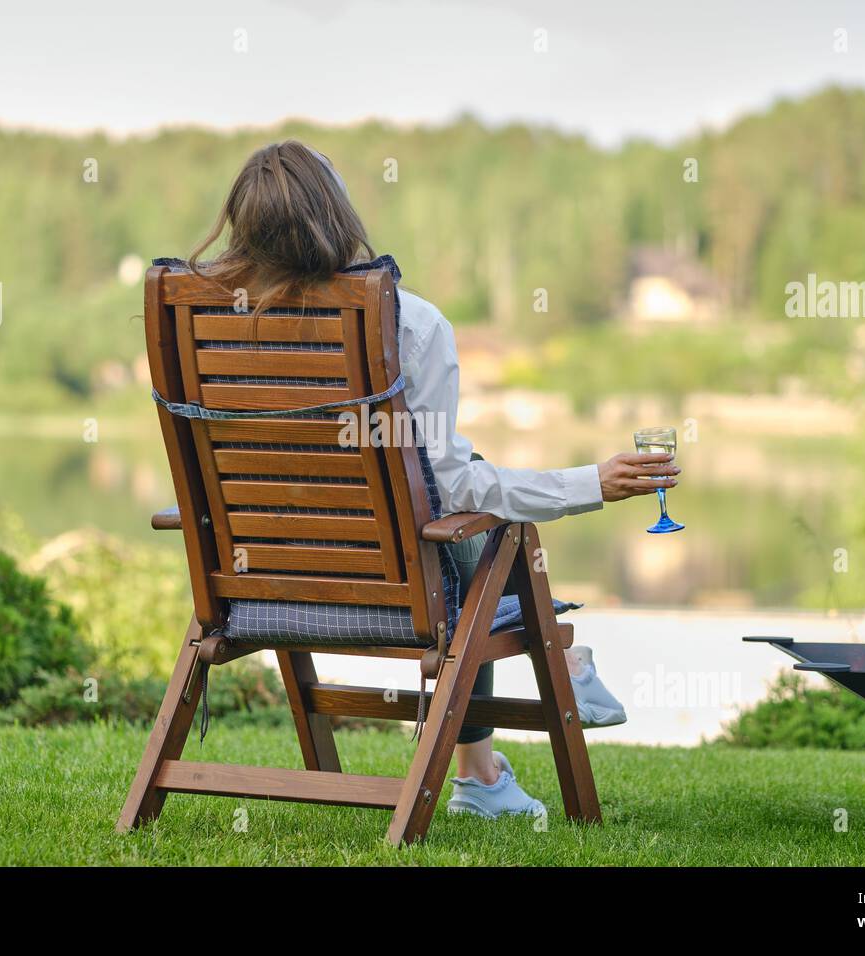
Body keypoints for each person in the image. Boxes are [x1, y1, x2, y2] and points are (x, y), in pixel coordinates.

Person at [188, 140, 680, 819]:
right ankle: (559, 665)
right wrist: (590, 483)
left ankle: (486, 769)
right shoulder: (406, 321)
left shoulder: (201, 324)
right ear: (338, 214)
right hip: (396, 595)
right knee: (479, 519)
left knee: (458, 503)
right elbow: (454, 491)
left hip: (253, 591)